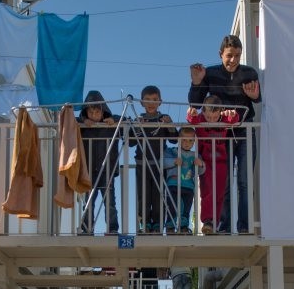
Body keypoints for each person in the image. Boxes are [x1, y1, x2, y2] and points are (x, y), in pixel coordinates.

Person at [189, 35, 261, 234]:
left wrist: (255, 96)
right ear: (221, 54)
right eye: (229, 56)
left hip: (244, 131)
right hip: (222, 134)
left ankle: (245, 226)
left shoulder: (248, 72)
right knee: (224, 181)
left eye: (238, 55)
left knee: (245, 180)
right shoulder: (210, 74)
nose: (234, 60)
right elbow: (195, 103)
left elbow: (257, 98)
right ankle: (224, 225)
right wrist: (196, 83)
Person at [186, 96, 239, 234]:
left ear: (220, 112)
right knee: (207, 190)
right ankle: (208, 220)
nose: (211, 120)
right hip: (205, 162)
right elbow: (192, 119)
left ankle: (217, 222)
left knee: (220, 192)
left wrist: (232, 114)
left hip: (221, 161)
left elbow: (234, 120)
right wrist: (191, 113)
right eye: (208, 116)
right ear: (203, 111)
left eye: (214, 117)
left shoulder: (223, 120)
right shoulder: (201, 120)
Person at [131, 85, 177, 233]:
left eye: (155, 100)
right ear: (141, 103)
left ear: (160, 102)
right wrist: (137, 127)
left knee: (158, 197)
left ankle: (157, 224)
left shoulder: (163, 119)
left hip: (159, 165)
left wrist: (170, 125)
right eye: (148, 100)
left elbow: (174, 140)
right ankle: (144, 223)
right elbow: (131, 142)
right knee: (143, 196)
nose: (151, 103)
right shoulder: (138, 119)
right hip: (142, 164)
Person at [77, 90, 122, 235]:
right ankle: (86, 228)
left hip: (107, 170)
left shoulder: (110, 124)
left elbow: (126, 120)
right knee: (88, 201)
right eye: (90, 112)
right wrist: (83, 121)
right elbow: (70, 121)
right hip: (89, 169)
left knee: (110, 201)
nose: (94, 114)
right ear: (86, 112)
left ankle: (112, 228)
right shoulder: (84, 126)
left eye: (97, 111)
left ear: (103, 111)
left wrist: (114, 120)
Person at [162, 126, 204, 234]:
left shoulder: (195, 155)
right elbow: (162, 162)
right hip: (173, 184)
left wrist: (201, 164)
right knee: (172, 206)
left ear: (194, 142)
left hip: (188, 186)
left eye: (190, 140)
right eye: (184, 140)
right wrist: (174, 162)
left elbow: (201, 171)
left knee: (186, 207)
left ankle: (183, 227)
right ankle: (170, 226)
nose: (187, 143)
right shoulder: (172, 151)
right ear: (178, 140)